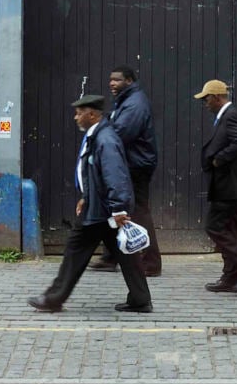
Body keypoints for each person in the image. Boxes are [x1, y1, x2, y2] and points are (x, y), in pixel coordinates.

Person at [27, 93, 153, 314]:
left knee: (75, 251)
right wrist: (86, 196)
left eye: (79, 113)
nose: (76, 118)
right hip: (101, 208)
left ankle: (53, 298)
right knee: (125, 253)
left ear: (92, 114)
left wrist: (118, 209)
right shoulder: (98, 136)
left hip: (101, 211)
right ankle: (140, 299)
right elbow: (94, 173)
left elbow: (115, 175)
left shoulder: (105, 139)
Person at [92, 65, 162, 277]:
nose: (111, 83)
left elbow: (120, 133)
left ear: (129, 81)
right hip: (129, 163)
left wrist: (99, 139)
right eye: (110, 80)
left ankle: (150, 262)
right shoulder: (126, 100)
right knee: (117, 208)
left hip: (136, 165)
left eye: (117, 80)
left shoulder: (135, 104)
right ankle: (111, 256)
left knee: (138, 211)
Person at [195, 78, 237, 293]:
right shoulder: (224, 117)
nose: (205, 104)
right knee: (230, 229)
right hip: (229, 185)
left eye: (206, 99)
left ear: (216, 97)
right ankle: (231, 278)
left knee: (214, 226)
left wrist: (218, 159)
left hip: (229, 185)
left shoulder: (230, 116)